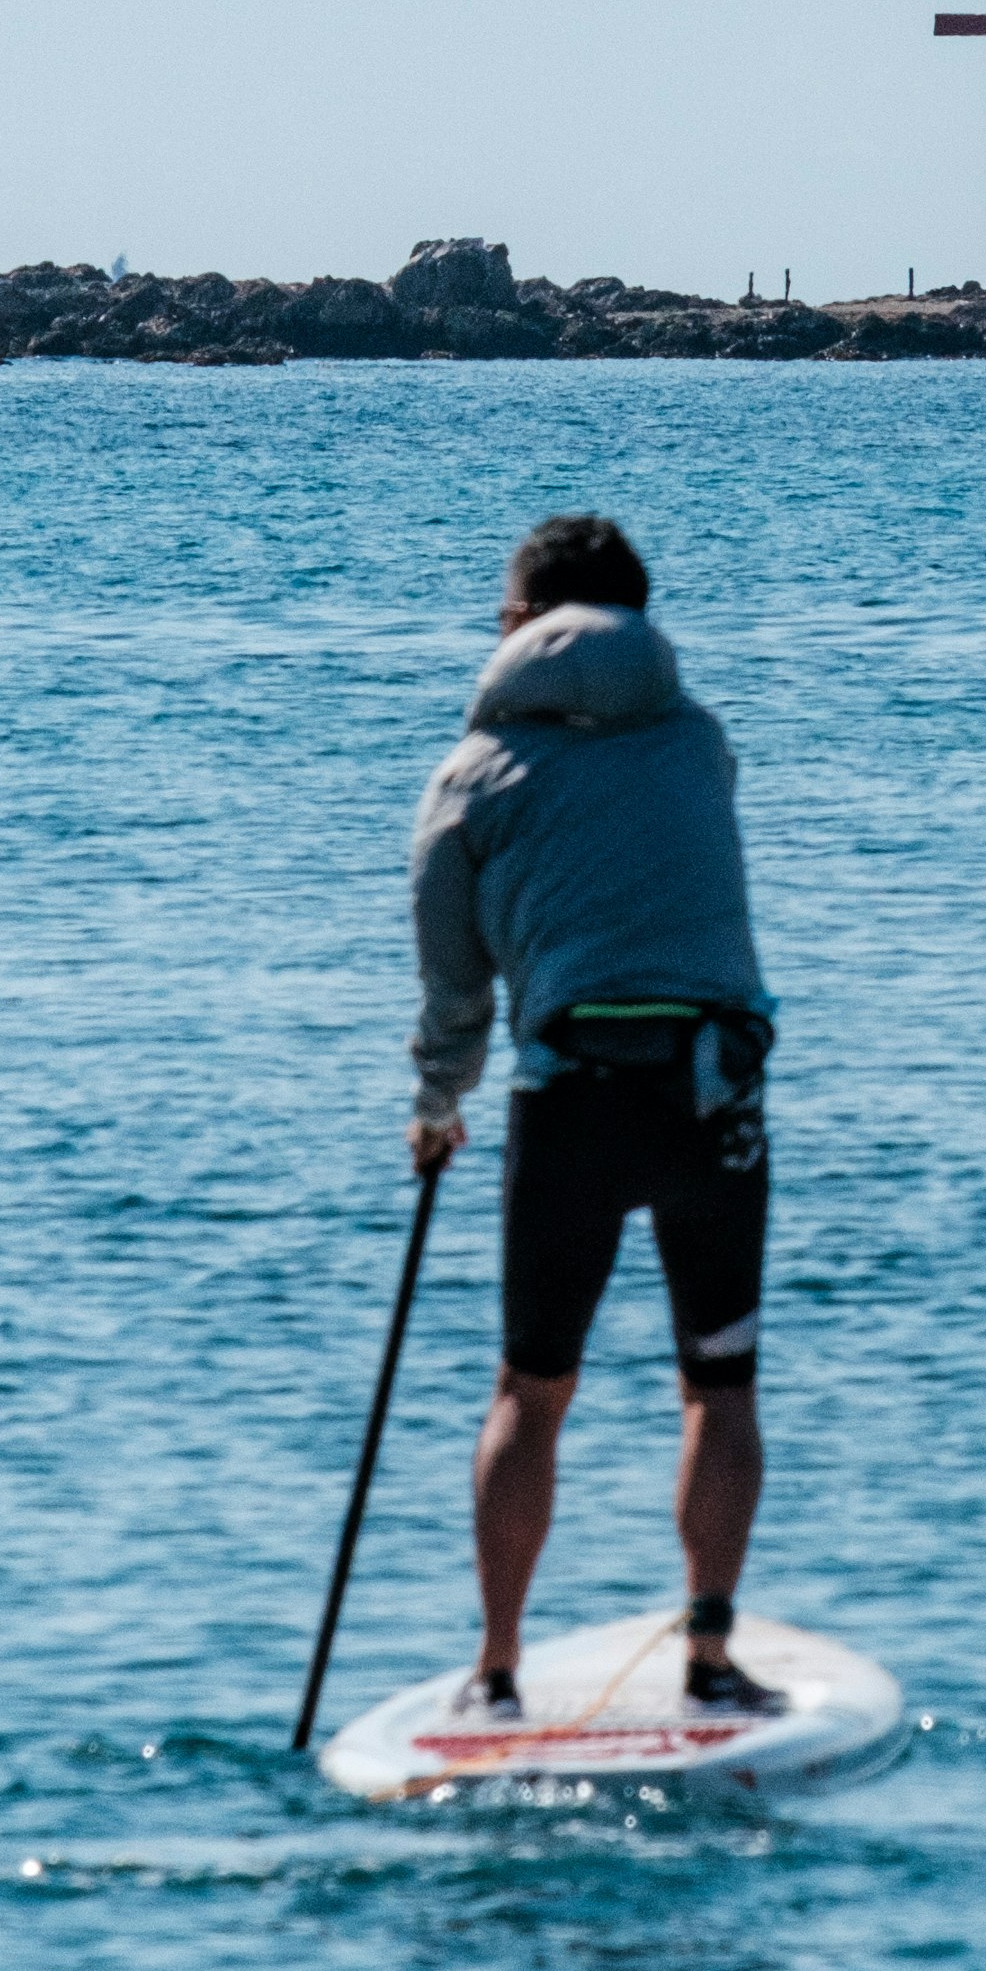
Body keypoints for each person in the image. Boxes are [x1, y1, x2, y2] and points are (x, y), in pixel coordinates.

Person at [407, 512, 776, 1718]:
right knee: (718, 1386)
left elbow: (456, 983)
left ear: (519, 625)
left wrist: (437, 1106)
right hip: (714, 1084)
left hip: (568, 1091)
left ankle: (497, 1671)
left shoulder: (470, 776)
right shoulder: (701, 742)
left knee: (530, 1387)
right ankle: (711, 1662)